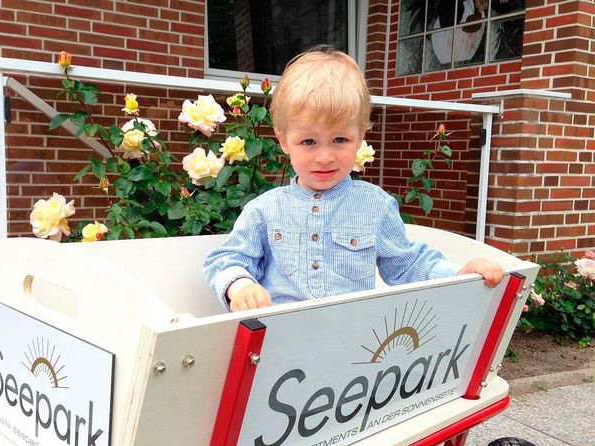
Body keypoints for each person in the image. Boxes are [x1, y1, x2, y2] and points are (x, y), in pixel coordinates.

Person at [203, 45, 503, 312]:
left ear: (360, 137)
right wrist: (240, 285)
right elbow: (226, 260)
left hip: (352, 348)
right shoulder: (263, 211)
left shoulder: (374, 205)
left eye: (340, 140)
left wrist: (458, 273)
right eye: (309, 142)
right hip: (279, 346)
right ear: (284, 141)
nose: (324, 156)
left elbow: (407, 264)